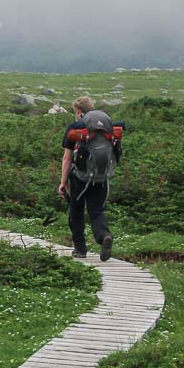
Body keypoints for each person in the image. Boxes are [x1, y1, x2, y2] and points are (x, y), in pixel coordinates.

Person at [58, 96, 115, 261]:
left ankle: (80, 249)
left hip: (80, 178)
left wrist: (63, 183)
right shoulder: (106, 125)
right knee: (96, 211)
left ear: (78, 111)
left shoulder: (75, 128)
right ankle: (104, 236)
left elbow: (67, 159)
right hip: (102, 176)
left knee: (76, 211)